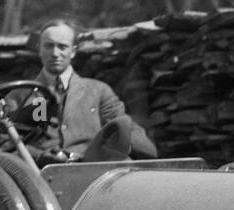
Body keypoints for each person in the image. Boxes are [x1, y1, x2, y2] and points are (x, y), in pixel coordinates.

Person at [10, 18, 158, 166]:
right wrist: (42, 156)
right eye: (48, 46)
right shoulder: (20, 94)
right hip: (37, 176)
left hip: (89, 173)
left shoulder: (98, 91)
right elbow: (5, 142)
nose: (55, 53)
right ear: (39, 50)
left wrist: (145, 154)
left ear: (73, 51)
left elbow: (123, 128)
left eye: (62, 47)